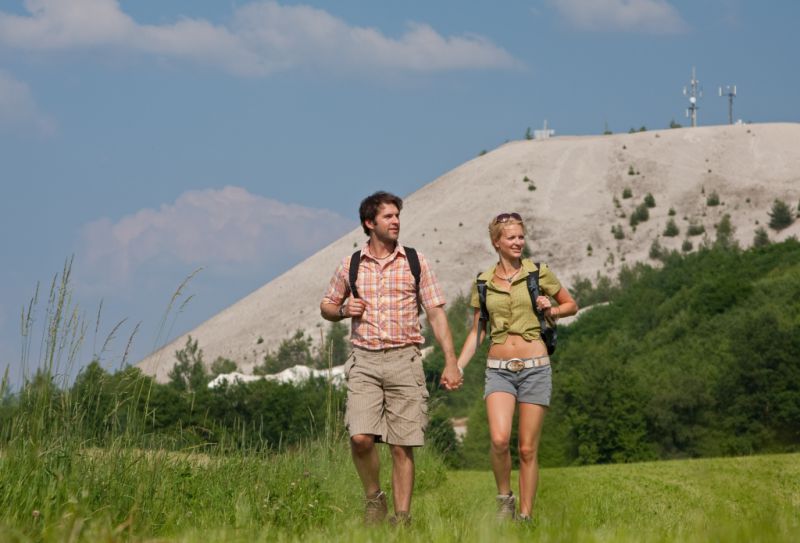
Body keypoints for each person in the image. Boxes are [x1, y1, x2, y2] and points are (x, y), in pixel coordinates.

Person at [320, 191, 462, 526]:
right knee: (360, 438)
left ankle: (402, 519)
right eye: (388, 216)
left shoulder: (415, 261)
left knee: (401, 445)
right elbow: (327, 306)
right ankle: (374, 498)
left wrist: (451, 361)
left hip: (405, 359)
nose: (396, 221)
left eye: (397, 215)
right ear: (369, 223)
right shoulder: (351, 264)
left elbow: (436, 313)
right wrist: (343, 310)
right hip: (364, 361)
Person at [456, 212, 577, 522]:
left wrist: (551, 309)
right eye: (511, 237)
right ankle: (504, 500)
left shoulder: (538, 273)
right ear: (496, 242)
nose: (518, 242)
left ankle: (525, 517)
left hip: (536, 367)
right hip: (498, 369)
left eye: (521, 237)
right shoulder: (483, 282)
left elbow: (570, 305)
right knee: (499, 440)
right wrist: (457, 366)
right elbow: (478, 331)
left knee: (526, 449)